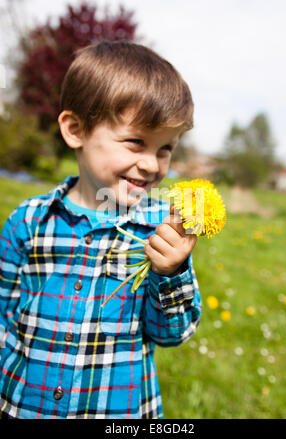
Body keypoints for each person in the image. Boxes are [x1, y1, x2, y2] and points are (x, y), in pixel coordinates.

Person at [0, 41, 202, 419]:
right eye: (135, 142)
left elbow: (173, 333)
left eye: (165, 149)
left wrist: (171, 272)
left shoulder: (162, 229)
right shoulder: (29, 223)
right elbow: (3, 315)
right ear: (76, 129)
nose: (151, 164)